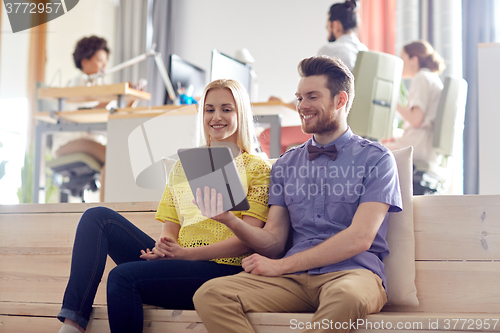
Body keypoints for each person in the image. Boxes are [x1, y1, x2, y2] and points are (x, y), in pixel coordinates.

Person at [193, 56, 402, 333]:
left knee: (346, 297)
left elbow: (360, 238)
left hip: (353, 273)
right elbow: (275, 241)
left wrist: (281, 266)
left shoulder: (377, 159)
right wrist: (230, 220)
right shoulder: (286, 164)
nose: (302, 106)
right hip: (294, 280)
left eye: (312, 97)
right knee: (211, 294)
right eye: (299, 97)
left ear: (340, 101)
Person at [56, 79, 272, 333]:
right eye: (209, 109)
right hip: (180, 261)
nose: (216, 117)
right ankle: (71, 325)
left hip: (224, 270)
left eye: (227, 109)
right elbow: (172, 226)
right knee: (98, 218)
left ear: (241, 114)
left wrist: (186, 254)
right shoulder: (183, 166)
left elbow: (247, 241)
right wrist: (165, 247)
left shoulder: (258, 168)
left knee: (122, 277)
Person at [52, 36, 110, 202]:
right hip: (69, 141)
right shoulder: (78, 82)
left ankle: (109, 206)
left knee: (117, 154)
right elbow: (87, 112)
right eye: (100, 60)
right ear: (85, 62)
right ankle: (106, 208)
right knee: (113, 156)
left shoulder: (94, 85)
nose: (104, 67)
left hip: (86, 139)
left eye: (105, 62)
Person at [383, 40, 445, 165]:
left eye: (402, 58)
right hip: (426, 145)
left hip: (418, 145)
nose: (401, 64)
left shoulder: (421, 78)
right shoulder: (431, 78)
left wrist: (392, 102)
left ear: (414, 60)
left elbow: (416, 119)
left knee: (373, 150)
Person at [318, 0, 367, 71]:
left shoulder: (327, 51)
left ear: (336, 26)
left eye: (327, 26)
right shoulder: (365, 51)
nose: (327, 29)